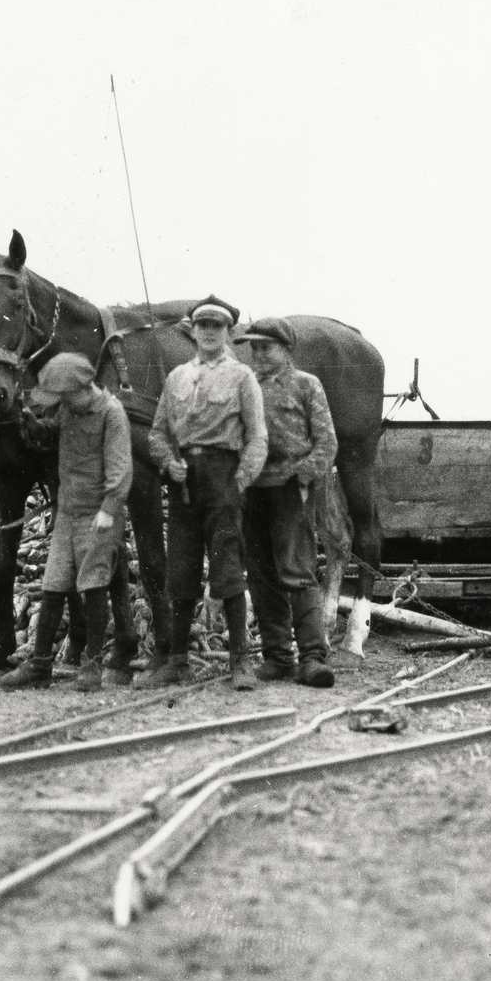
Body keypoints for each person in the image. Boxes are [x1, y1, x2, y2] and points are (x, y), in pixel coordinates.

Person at [142, 295, 268, 690]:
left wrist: (240, 480)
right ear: (192, 331)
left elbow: (257, 436)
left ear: (229, 332)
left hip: (223, 478)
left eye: (218, 327)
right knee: (181, 568)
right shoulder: (177, 377)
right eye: (203, 326)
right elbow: (158, 432)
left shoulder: (242, 377)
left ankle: (240, 663)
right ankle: (178, 662)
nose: (210, 333)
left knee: (228, 568)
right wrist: (167, 461)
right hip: (184, 481)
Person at [0, 353, 134, 691]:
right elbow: (51, 434)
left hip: (99, 515)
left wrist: (109, 508)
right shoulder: (68, 410)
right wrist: (31, 423)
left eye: (60, 398)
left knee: (93, 586)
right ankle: (41, 665)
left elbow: (120, 468)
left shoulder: (111, 413)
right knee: (53, 585)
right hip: (68, 513)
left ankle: (91, 666)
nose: (57, 405)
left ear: (78, 389)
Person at [239, 318, 338, 688]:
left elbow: (327, 443)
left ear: (287, 350)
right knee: (261, 575)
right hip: (253, 487)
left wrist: (305, 476)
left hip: (291, 487)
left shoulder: (306, 385)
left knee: (297, 571)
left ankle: (312, 657)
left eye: (267, 347)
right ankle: (278, 657)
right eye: (254, 348)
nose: (259, 354)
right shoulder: (245, 386)